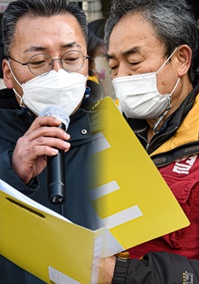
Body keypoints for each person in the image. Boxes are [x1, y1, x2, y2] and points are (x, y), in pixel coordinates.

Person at [0, 0, 103, 282]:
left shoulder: (122, 135)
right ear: (9, 74)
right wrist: (10, 174)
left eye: (71, 59)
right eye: (38, 62)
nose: (58, 73)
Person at [101, 0, 199, 282]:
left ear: (181, 59)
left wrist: (121, 274)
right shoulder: (106, 131)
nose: (122, 79)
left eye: (134, 62)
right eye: (114, 66)